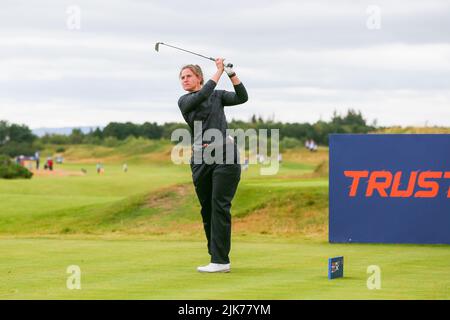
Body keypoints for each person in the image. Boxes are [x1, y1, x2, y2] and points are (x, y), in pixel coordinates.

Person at [178, 58, 248, 273]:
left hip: (225, 154)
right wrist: (217, 72)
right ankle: (216, 258)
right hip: (200, 158)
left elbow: (242, 97)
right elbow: (203, 94)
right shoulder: (185, 101)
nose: (185, 80)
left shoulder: (217, 96)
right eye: (182, 77)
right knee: (207, 208)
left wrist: (230, 73)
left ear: (198, 77)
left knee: (219, 206)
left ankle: (220, 260)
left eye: (189, 76)